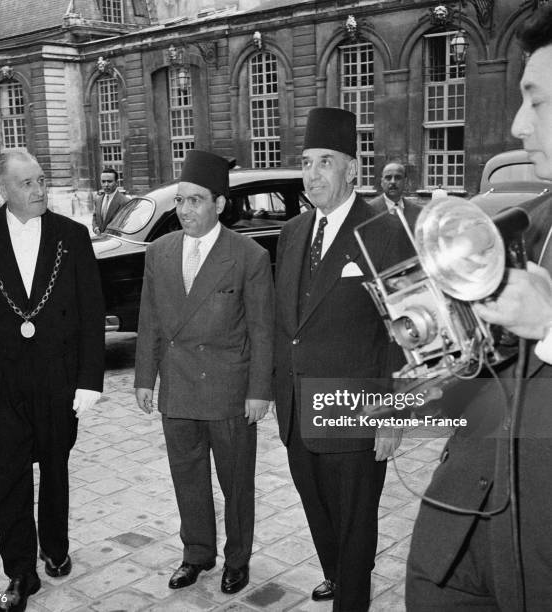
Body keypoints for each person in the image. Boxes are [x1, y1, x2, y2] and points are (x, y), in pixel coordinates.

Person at [406, 6, 552, 610]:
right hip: (463, 532)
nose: (518, 124)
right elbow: (481, 372)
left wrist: (548, 323)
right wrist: (441, 346)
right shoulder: (527, 223)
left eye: (537, 102)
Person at [0, 149, 105, 612]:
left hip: (57, 377)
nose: (39, 191)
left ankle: (54, 544)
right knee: (6, 474)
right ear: (3, 189)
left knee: (55, 465)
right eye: (27, 184)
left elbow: (91, 312)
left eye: (41, 181)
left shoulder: (71, 236)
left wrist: (89, 380)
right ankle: (19, 571)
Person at [273, 107, 405, 612]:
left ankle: (352, 598)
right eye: (306, 162)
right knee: (320, 515)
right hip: (297, 410)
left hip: (355, 410)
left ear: (352, 168)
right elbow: (289, 324)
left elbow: (406, 329)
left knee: (355, 527)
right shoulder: (291, 234)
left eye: (325, 162)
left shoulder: (384, 231)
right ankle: (338, 576)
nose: (312, 174)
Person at [134, 149, 273, 595]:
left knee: (236, 483)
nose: (185, 209)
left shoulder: (248, 255)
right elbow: (150, 319)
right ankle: (196, 553)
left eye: (195, 200)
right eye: (180, 200)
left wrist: (259, 391)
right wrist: (143, 377)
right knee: (187, 477)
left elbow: (262, 330)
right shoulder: (160, 251)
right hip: (178, 387)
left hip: (228, 390)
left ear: (219, 204)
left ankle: (237, 559)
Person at [368, 161, 422, 229]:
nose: (393, 182)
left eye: (398, 177)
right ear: (382, 182)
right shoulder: (368, 210)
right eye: (388, 178)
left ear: (405, 182)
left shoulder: (418, 211)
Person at [92, 167, 129, 234]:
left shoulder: (125, 201)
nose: (106, 185)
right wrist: (95, 228)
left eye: (109, 181)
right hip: (101, 240)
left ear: (116, 182)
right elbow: (95, 217)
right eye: (103, 181)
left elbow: (126, 224)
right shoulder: (98, 200)